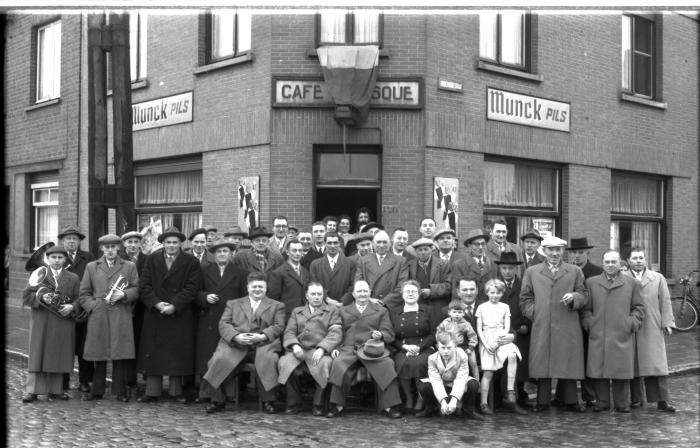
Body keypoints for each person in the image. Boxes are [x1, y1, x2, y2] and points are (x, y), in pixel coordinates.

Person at [520, 236, 588, 413]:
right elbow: (525, 298)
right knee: (543, 361)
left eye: (558, 249)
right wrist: (535, 312)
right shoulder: (532, 272)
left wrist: (574, 298)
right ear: (544, 251)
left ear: (563, 251)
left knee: (568, 360)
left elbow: (584, 294)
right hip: (542, 323)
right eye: (551, 249)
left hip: (568, 321)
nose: (555, 253)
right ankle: (542, 401)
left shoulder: (574, 271)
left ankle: (570, 400)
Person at [202, 272, 285, 414]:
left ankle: (268, 401)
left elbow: (278, 326)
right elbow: (224, 324)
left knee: (269, 359)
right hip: (236, 344)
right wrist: (236, 336)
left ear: (266, 288)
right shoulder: (233, 304)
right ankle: (217, 400)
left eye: (261, 286)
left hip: (263, 344)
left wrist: (262, 336)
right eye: (254, 287)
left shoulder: (277, 305)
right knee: (218, 359)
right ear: (248, 288)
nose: (257, 289)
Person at [137, 227, 202, 404]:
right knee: (153, 352)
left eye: (175, 242)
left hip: (179, 313)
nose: (172, 245)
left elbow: (192, 287)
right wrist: (157, 303)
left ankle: (176, 391)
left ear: (181, 243)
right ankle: (152, 391)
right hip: (155, 313)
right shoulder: (152, 259)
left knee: (176, 353)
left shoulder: (191, 262)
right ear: (163, 243)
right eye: (168, 242)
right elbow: (144, 286)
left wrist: (175, 305)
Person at [326, 280, 402, 419]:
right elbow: (337, 332)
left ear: (370, 293)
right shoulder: (343, 310)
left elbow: (389, 333)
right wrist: (335, 347)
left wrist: (381, 335)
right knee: (338, 364)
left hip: (372, 349)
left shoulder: (381, 310)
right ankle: (337, 405)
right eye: (359, 291)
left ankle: (389, 406)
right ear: (354, 294)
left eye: (365, 291)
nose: (362, 294)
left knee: (388, 364)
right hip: (348, 348)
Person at [582, 250, 645, 413]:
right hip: (599, 334)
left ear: (620, 264)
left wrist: (630, 323)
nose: (610, 265)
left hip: (621, 334)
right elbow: (586, 309)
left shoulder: (632, 284)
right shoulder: (591, 283)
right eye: (607, 262)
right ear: (602, 263)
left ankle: (622, 403)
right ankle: (602, 403)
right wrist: (590, 323)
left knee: (621, 371)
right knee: (599, 371)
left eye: (614, 262)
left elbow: (638, 308)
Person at [79, 234, 140, 402]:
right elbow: (83, 293)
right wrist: (94, 306)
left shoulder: (129, 266)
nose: (110, 250)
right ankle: (97, 390)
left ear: (119, 248)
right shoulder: (92, 266)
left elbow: (137, 289)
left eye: (113, 247)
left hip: (121, 312)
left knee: (119, 352)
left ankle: (120, 391)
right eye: (107, 247)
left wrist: (124, 294)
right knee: (99, 352)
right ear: (102, 249)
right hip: (99, 313)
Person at [22, 245, 82, 403]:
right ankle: (32, 390)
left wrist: (72, 307)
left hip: (63, 321)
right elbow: (26, 296)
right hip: (41, 320)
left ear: (64, 259)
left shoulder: (73, 278)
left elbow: (80, 299)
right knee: (38, 354)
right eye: (53, 257)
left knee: (59, 354)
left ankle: (56, 390)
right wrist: (41, 298)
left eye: (60, 258)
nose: (57, 260)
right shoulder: (39, 274)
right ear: (48, 259)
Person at [193, 239, 246, 404]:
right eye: (218, 252)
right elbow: (194, 292)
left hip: (231, 321)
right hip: (209, 318)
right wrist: (204, 297)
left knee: (226, 357)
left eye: (225, 251)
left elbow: (245, 298)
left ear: (231, 254)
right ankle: (206, 393)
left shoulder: (241, 272)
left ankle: (227, 393)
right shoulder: (204, 270)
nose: (222, 254)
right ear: (214, 255)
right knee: (207, 357)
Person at [278, 282, 343, 415]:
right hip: (299, 349)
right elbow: (289, 331)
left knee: (325, 364)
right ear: (307, 296)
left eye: (319, 294)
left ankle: (318, 404)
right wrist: (294, 346)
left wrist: (322, 349)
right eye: (313, 294)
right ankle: (293, 403)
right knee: (285, 363)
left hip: (320, 350)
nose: (316, 297)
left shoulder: (332, 311)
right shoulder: (297, 311)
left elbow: (335, 333)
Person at [627, 248, 676, 412]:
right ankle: (636, 399)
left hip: (652, 326)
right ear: (628, 260)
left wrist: (667, 322)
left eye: (641, 257)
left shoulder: (657, 278)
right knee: (633, 364)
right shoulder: (623, 278)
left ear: (645, 260)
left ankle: (661, 400)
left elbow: (665, 301)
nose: (638, 261)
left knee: (656, 365)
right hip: (632, 326)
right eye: (635, 258)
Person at [559, 236, 603, 408]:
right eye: (574, 253)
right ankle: (563, 396)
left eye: (580, 252)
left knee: (588, 357)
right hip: (568, 320)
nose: (576, 256)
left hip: (589, 321)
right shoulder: (566, 271)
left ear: (588, 253)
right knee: (567, 358)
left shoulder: (597, 272)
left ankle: (589, 395)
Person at [476, 279, 525, 415]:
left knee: (512, 354)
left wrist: (500, 340)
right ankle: (484, 403)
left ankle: (510, 391)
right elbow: (479, 329)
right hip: (487, 340)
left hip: (501, 338)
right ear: (487, 292)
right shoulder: (481, 307)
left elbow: (506, 326)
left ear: (502, 293)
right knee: (488, 372)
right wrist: (486, 345)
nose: (495, 295)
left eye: (498, 293)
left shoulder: (504, 307)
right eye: (492, 292)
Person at [389, 280, 437, 414]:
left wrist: (419, 347)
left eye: (413, 291)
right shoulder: (395, 312)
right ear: (402, 294)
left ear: (419, 294)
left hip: (424, 346)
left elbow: (433, 334)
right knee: (401, 362)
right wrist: (404, 347)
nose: (410, 294)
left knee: (420, 363)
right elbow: (391, 336)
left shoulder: (427, 310)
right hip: (403, 347)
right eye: (407, 291)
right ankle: (409, 397)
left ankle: (420, 399)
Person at [58, 224, 95, 394]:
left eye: (75, 239)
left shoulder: (88, 257)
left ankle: (85, 381)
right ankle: (62, 381)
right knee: (64, 347)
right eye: (68, 239)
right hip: (63, 309)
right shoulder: (57, 257)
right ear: (63, 241)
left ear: (79, 242)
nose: (71, 242)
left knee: (83, 347)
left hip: (83, 308)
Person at [416, 331, 483, 420]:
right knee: (423, 385)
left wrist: (454, 400)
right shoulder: (432, 358)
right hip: (442, 382)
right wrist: (443, 402)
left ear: (455, 346)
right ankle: (431, 409)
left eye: (449, 348)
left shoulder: (462, 355)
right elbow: (436, 381)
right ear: (437, 347)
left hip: (456, 382)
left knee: (473, 384)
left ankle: (468, 410)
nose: (446, 351)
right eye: (443, 348)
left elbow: (461, 379)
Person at [495, 251, 531, 408]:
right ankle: (499, 396)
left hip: (519, 331)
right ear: (500, 269)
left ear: (516, 269)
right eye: (504, 268)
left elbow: (529, 306)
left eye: (510, 268)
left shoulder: (524, 285)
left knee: (520, 364)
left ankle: (520, 395)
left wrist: (526, 324)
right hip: (499, 333)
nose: (507, 271)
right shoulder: (494, 287)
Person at [354, 230, 409, 309]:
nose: (381, 245)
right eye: (378, 242)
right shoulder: (363, 260)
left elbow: (402, 286)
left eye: (384, 242)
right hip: (368, 305)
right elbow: (358, 284)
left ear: (390, 244)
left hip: (391, 306)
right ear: (373, 244)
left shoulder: (400, 261)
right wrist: (369, 299)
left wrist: (383, 302)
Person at [121, 230, 147, 393]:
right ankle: (129, 378)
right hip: (124, 306)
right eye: (129, 242)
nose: (132, 245)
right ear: (124, 244)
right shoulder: (119, 261)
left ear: (140, 244)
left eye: (135, 242)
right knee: (126, 343)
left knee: (142, 342)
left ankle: (144, 377)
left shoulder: (148, 260)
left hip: (143, 308)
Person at [406, 237, 452, 315]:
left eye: (426, 249)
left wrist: (431, 291)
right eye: (420, 250)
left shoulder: (443, 264)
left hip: (437, 308)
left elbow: (449, 286)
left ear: (431, 250)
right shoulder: (410, 265)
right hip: (417, 307)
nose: (423, 252)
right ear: (415, 251)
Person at [267, 239, 310, 319]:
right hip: (286, 317)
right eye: (294, 250)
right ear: (287, 252)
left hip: (304, 315)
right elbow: (273, 300)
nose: (297, 253)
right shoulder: (278, 273)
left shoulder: (305, 271)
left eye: (300, 251)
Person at [309, 232, 356, 306]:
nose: (332, 246)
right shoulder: (315, 264)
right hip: (323, 305)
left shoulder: (350, 263)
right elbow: (314, 285)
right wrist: (327, 299)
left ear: (339, 243)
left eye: (335, 243)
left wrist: (343, 301)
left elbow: (353, 285)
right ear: (324, 243)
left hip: (344, 306)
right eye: (329, 243)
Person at [450, 229, 498, 301]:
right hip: (468, 307)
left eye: (483, 244)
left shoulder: (494, 264)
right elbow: (456, 293)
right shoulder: (459, 265)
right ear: (469, 246)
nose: (481, 247)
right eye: (477, 244)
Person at [436, 300, 478, 368]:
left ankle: (476, 378)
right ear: (449, 312)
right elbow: (439, 333)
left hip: (464, 347)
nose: (457, 314)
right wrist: (440, 345)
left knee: (473, 363)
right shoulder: (445, 322)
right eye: (454, 312)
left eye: (460, 312)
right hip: (449, 347)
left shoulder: (466, 324)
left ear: (464, 313)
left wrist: (471, 348)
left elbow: (473, 336)